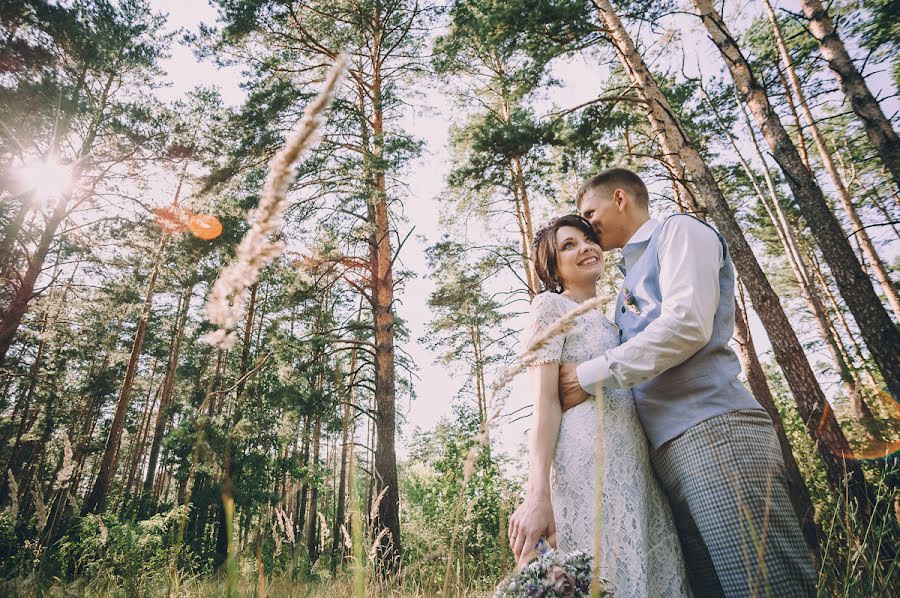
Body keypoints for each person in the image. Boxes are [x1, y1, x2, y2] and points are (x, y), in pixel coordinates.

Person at [554, 168, 816, 596]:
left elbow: (687, 325)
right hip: (667, 456)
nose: (587, 224)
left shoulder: (678, 232)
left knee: (765, 585)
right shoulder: (624, 290)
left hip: (715, 430)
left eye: (590, 212)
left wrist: (588, 375)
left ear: (619, 199)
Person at [508, 213, 690, 598]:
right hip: (584, 467)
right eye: (568, 245)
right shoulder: (549, 308)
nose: (585, 248)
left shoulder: (614, 325)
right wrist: (537, 494)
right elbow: (544, 404)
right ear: (553, 267)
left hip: (636, 470)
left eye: (587, 239)